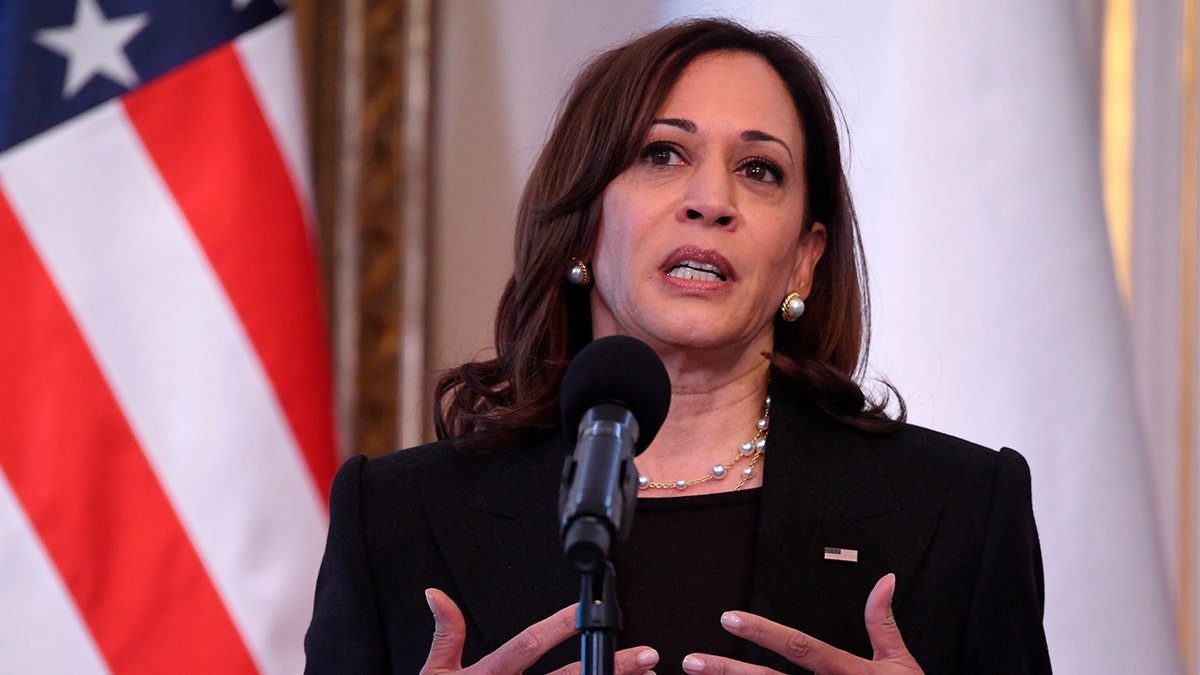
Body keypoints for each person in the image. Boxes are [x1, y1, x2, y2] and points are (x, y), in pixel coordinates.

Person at [304, 17, 1051, 675]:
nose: (712, 200)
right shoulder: (396, 518)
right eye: (662, 154)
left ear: (804, 258)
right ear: (582, 224)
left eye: (759, 170)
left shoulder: (960, 511)